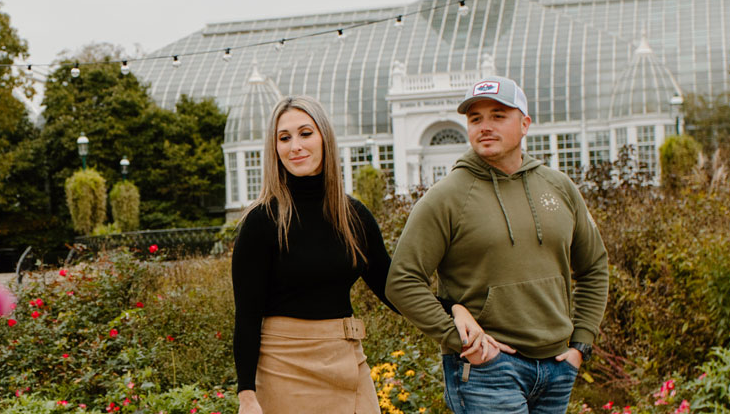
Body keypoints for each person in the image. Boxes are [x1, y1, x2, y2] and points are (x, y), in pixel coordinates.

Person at [383, 76, 611, 413]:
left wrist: (581, 344)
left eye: (498, 115)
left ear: (524, 124)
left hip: (557, 366)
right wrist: (457, 337)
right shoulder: (446, 197)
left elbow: (594, 266)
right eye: (475, 119)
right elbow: (402, 281)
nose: (485, 126)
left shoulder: (559, 187)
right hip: (487, 369)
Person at [231, 96, 399, 414]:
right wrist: (247, 396)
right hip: (283, 369)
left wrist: (456, 312)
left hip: (347, 361)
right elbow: (247, 315)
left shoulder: (354, 216)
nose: (295, 146)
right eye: (284, 137)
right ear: (274, 148)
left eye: (305, 133)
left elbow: (394, 290)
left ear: (324, 137)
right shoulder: (262, 221)